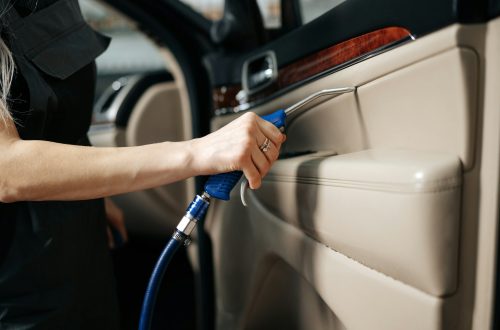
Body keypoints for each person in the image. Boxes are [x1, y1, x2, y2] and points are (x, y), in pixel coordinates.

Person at [0, 0, 285, 328]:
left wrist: (92, 191)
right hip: (20, 293)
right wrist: (198, 152)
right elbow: (7, 169)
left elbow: (53, 119)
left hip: (75, 257)